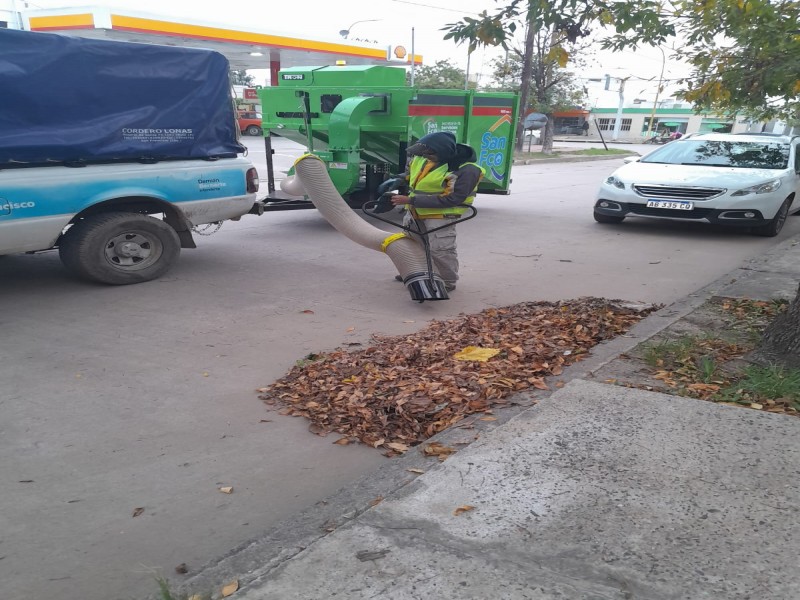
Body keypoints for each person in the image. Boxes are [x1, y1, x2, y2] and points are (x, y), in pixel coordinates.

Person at [387, 131, 484, 292]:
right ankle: (414, 272)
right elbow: (412, 174)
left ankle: (447, 281)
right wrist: (397, 178)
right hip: (414, 212)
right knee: (412, 245)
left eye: (430, 154)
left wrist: (410, 200)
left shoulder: (467, 170)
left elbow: (453, 199)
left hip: (441, 216)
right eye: (424, 153)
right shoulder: (422, 158)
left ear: (444, 150)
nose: (426, 156)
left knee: (440, 250)